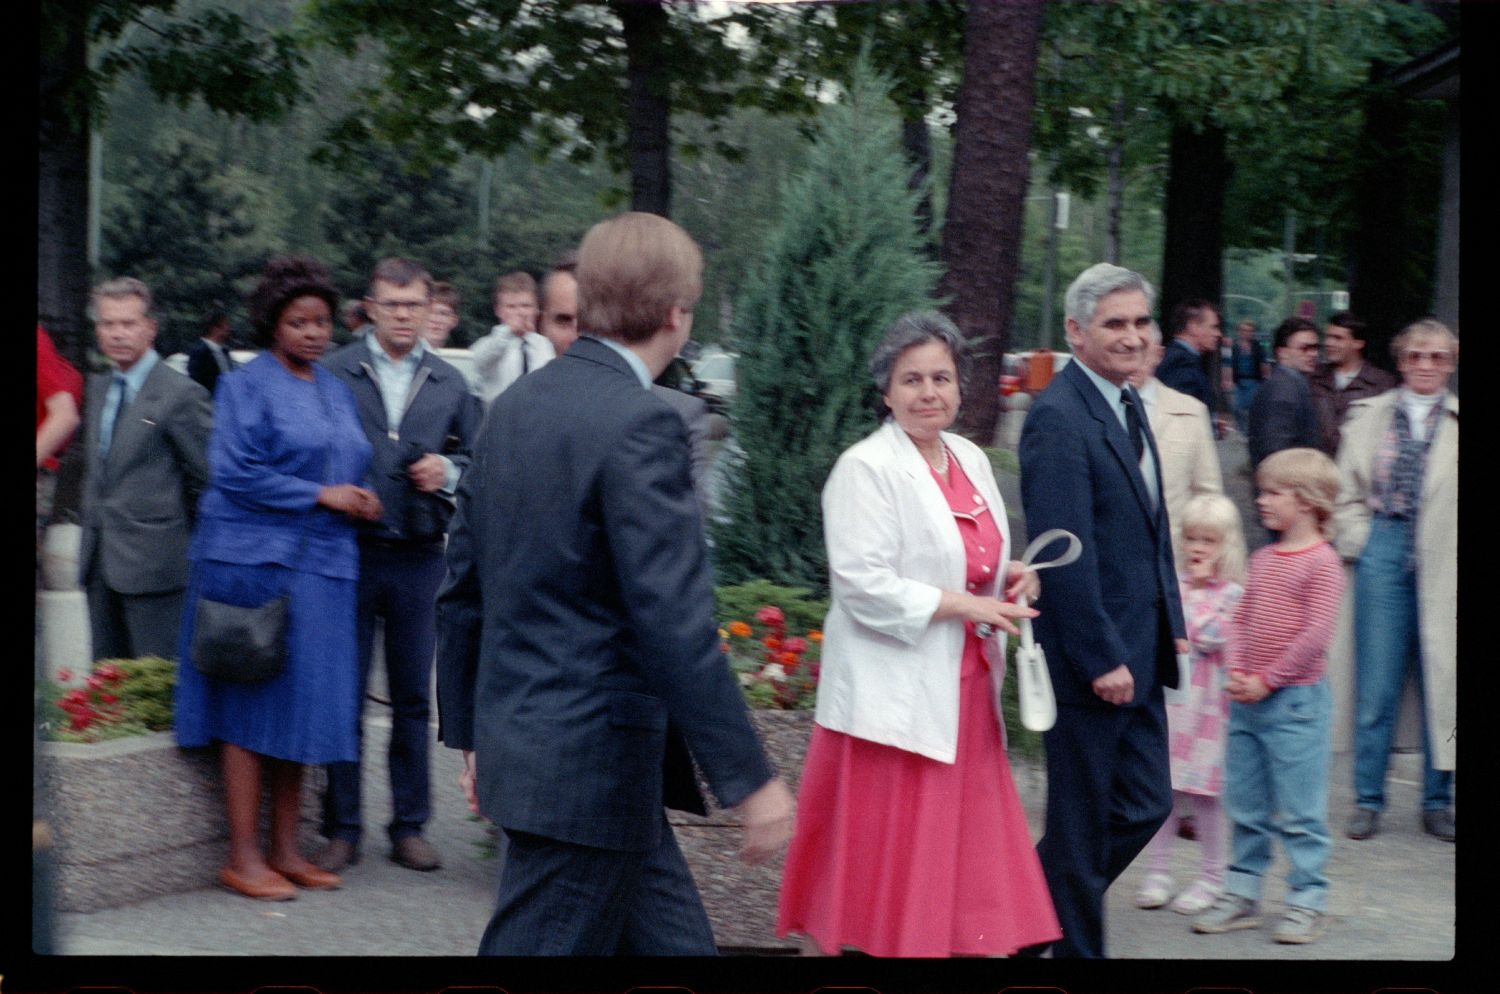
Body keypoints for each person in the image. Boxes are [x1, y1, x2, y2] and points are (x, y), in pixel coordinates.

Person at [435, 211, 793, 956]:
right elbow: (675, 623)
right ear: (676, 313)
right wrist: (751, 781)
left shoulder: (510, 410)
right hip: (587, 777)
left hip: (567, 769)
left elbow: (463, 588)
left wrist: (473, 735)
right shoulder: (642, 423)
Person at [776, 312, 1058, 958]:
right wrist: (965, 604)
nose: (928, 392)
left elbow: (965, 552)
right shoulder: (865, 467)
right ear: (886, 392)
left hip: (965, 688)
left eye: (941, 377)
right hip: (894, 698)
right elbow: (862, 585)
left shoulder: (967, 457)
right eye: (911, 380)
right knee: (898, 865)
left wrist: (1008, 576)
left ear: (961, 387)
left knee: (959, 860)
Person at [174, 257, 383, 901]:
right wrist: (323, 495)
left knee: (306, 707)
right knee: (251, 703)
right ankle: (243, 856)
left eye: (322, 321)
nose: (315, 332)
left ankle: (288, 850)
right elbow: (232, 472)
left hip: (326, 568)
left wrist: (364, 497)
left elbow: (346, 462)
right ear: (274, 325)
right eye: (300, 322)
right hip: (256, 567)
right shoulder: (245, 386)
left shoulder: (335, 387)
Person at [1017, 262, 1188, 959]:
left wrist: (1172, 622)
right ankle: (1060, 943)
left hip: (1142, 651)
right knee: (1083, 833)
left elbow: (1152, 528)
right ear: (1076, 331)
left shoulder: (1127, 400)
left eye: (1141, 322)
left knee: (1146, 805)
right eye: (1115, 323)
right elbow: (1065, 555)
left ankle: (1020, 914)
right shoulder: (1058, 417)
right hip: (1094, 664)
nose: (1133, 336)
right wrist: (1099, 658)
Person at [319, 258, 482, 874]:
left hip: (419, 557)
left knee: (414, 697)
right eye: (391, 304)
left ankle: (409, 826)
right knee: (343, 695)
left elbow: (478, 459)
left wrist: (449, 472)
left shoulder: (448, 382)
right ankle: (342, 828)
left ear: (428, 306)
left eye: (414, 304)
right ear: (370, 307)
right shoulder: (335, 372)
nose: (404, 315)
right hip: (349, 553)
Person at [1192, 448, 1343, 944]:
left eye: (1274, 492)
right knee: (1248, 805)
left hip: (1294, 703)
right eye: (1262, 491)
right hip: (1247, 701)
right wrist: (1237, 670)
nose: (1262, 500)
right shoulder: (1262, 558)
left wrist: (1268, 679)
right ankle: (1242, 892)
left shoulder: (1322, 564)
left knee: (1300, 812)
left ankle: (1306, 899)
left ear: (1307, 501)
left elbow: (1315, 636)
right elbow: (1241, 619)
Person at [1335, 319, 1457, 843]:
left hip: (1447, 555)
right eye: (1415, 356)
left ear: (1451, 363)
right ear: (1400, 361)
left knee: (1444, 683)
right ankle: (1367, 798)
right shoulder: (1370, 415)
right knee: (1377, 684)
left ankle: (1437, 800)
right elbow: (1344, 491)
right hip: (1383, 547)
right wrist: (1362, 542)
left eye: (1436, 357)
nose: (1425, 365)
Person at [80, 277, 213, 661]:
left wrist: (177, 537)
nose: (117, 333)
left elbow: (208, 477)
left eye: (128, 323)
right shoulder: (99, 389)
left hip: (158, 568)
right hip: (100, 561)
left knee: (155, 690)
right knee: (106, 689)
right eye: (108, 324)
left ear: (150, 328)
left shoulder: (181, 394)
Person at [1135, 494, 1245, 916]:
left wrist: (1197, 596)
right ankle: (1158, 871)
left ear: (1226, 545)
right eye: (1193, 539)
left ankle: (1213, 876)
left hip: (1208, 712)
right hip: (1172, 706)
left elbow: (1209, 634)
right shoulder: (1174, 583)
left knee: (1205, 798)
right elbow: (1164, 628)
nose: (1199, 548)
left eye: (1209, 541)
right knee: (1164, 792)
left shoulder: (1233, 593)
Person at [1130, 323, 1224, 567]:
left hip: (1171, 558)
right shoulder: (1088, 412)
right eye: (1126, 350)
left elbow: (1209, 495)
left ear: (1158, 355)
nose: (1133, 360)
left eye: (1142, 350)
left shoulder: (1190, 413)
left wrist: (1206, 559)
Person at [1309, 311, 1396, 458]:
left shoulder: (1381, 384)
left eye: (1337, 338)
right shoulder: (1313, 378)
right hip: (1318, 471)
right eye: (1328, 337)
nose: (1328, 343)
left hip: (1358, 471)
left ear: (1358, 343)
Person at [1247, 317, 1319, 472]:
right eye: (1304, 348)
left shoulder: (1289, 383)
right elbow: (1275, 453)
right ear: (1282, 353)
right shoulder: (1284, 389)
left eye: (1315, 347)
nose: (1313, 354)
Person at [471, 271, 554, 405]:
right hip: (497, 420)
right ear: (498, 310)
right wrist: (508, 331)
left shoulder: (545, 345)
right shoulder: (487, 344)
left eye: (526, 306)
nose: (520, 312)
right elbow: (480, 362)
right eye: (511, 307)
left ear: (536, 309)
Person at [1155, 298, 1219, 412]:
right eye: (1213, 327)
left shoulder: (1178, 359)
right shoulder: (1180, 365)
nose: (1218, 334)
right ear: (1193, 327)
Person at [1229, 319, 1268, 436]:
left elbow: (1263, 363)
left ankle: (1249, 432)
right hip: (1240, 381)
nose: (1246, 333)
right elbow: (1230, 364)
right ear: (1239, 332)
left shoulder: (1257, 347)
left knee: (1252, 409)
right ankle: (1241, 429)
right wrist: (1229, 380)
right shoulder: (1235, 347)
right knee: (1236, 407)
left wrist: (1265, 379)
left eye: (1249, 331)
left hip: (1254, 381)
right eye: (1244, 330)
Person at [186, 311, 235, 396]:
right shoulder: (200, 351)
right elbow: (196, 382)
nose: (229, 329)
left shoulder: (224, 351)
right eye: (226, 325)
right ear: (214, 329)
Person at [422, 282, 462, 349]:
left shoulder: (460, 357)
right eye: (429, 312)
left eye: (443, 314)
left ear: (454, 321)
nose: (436, 320)